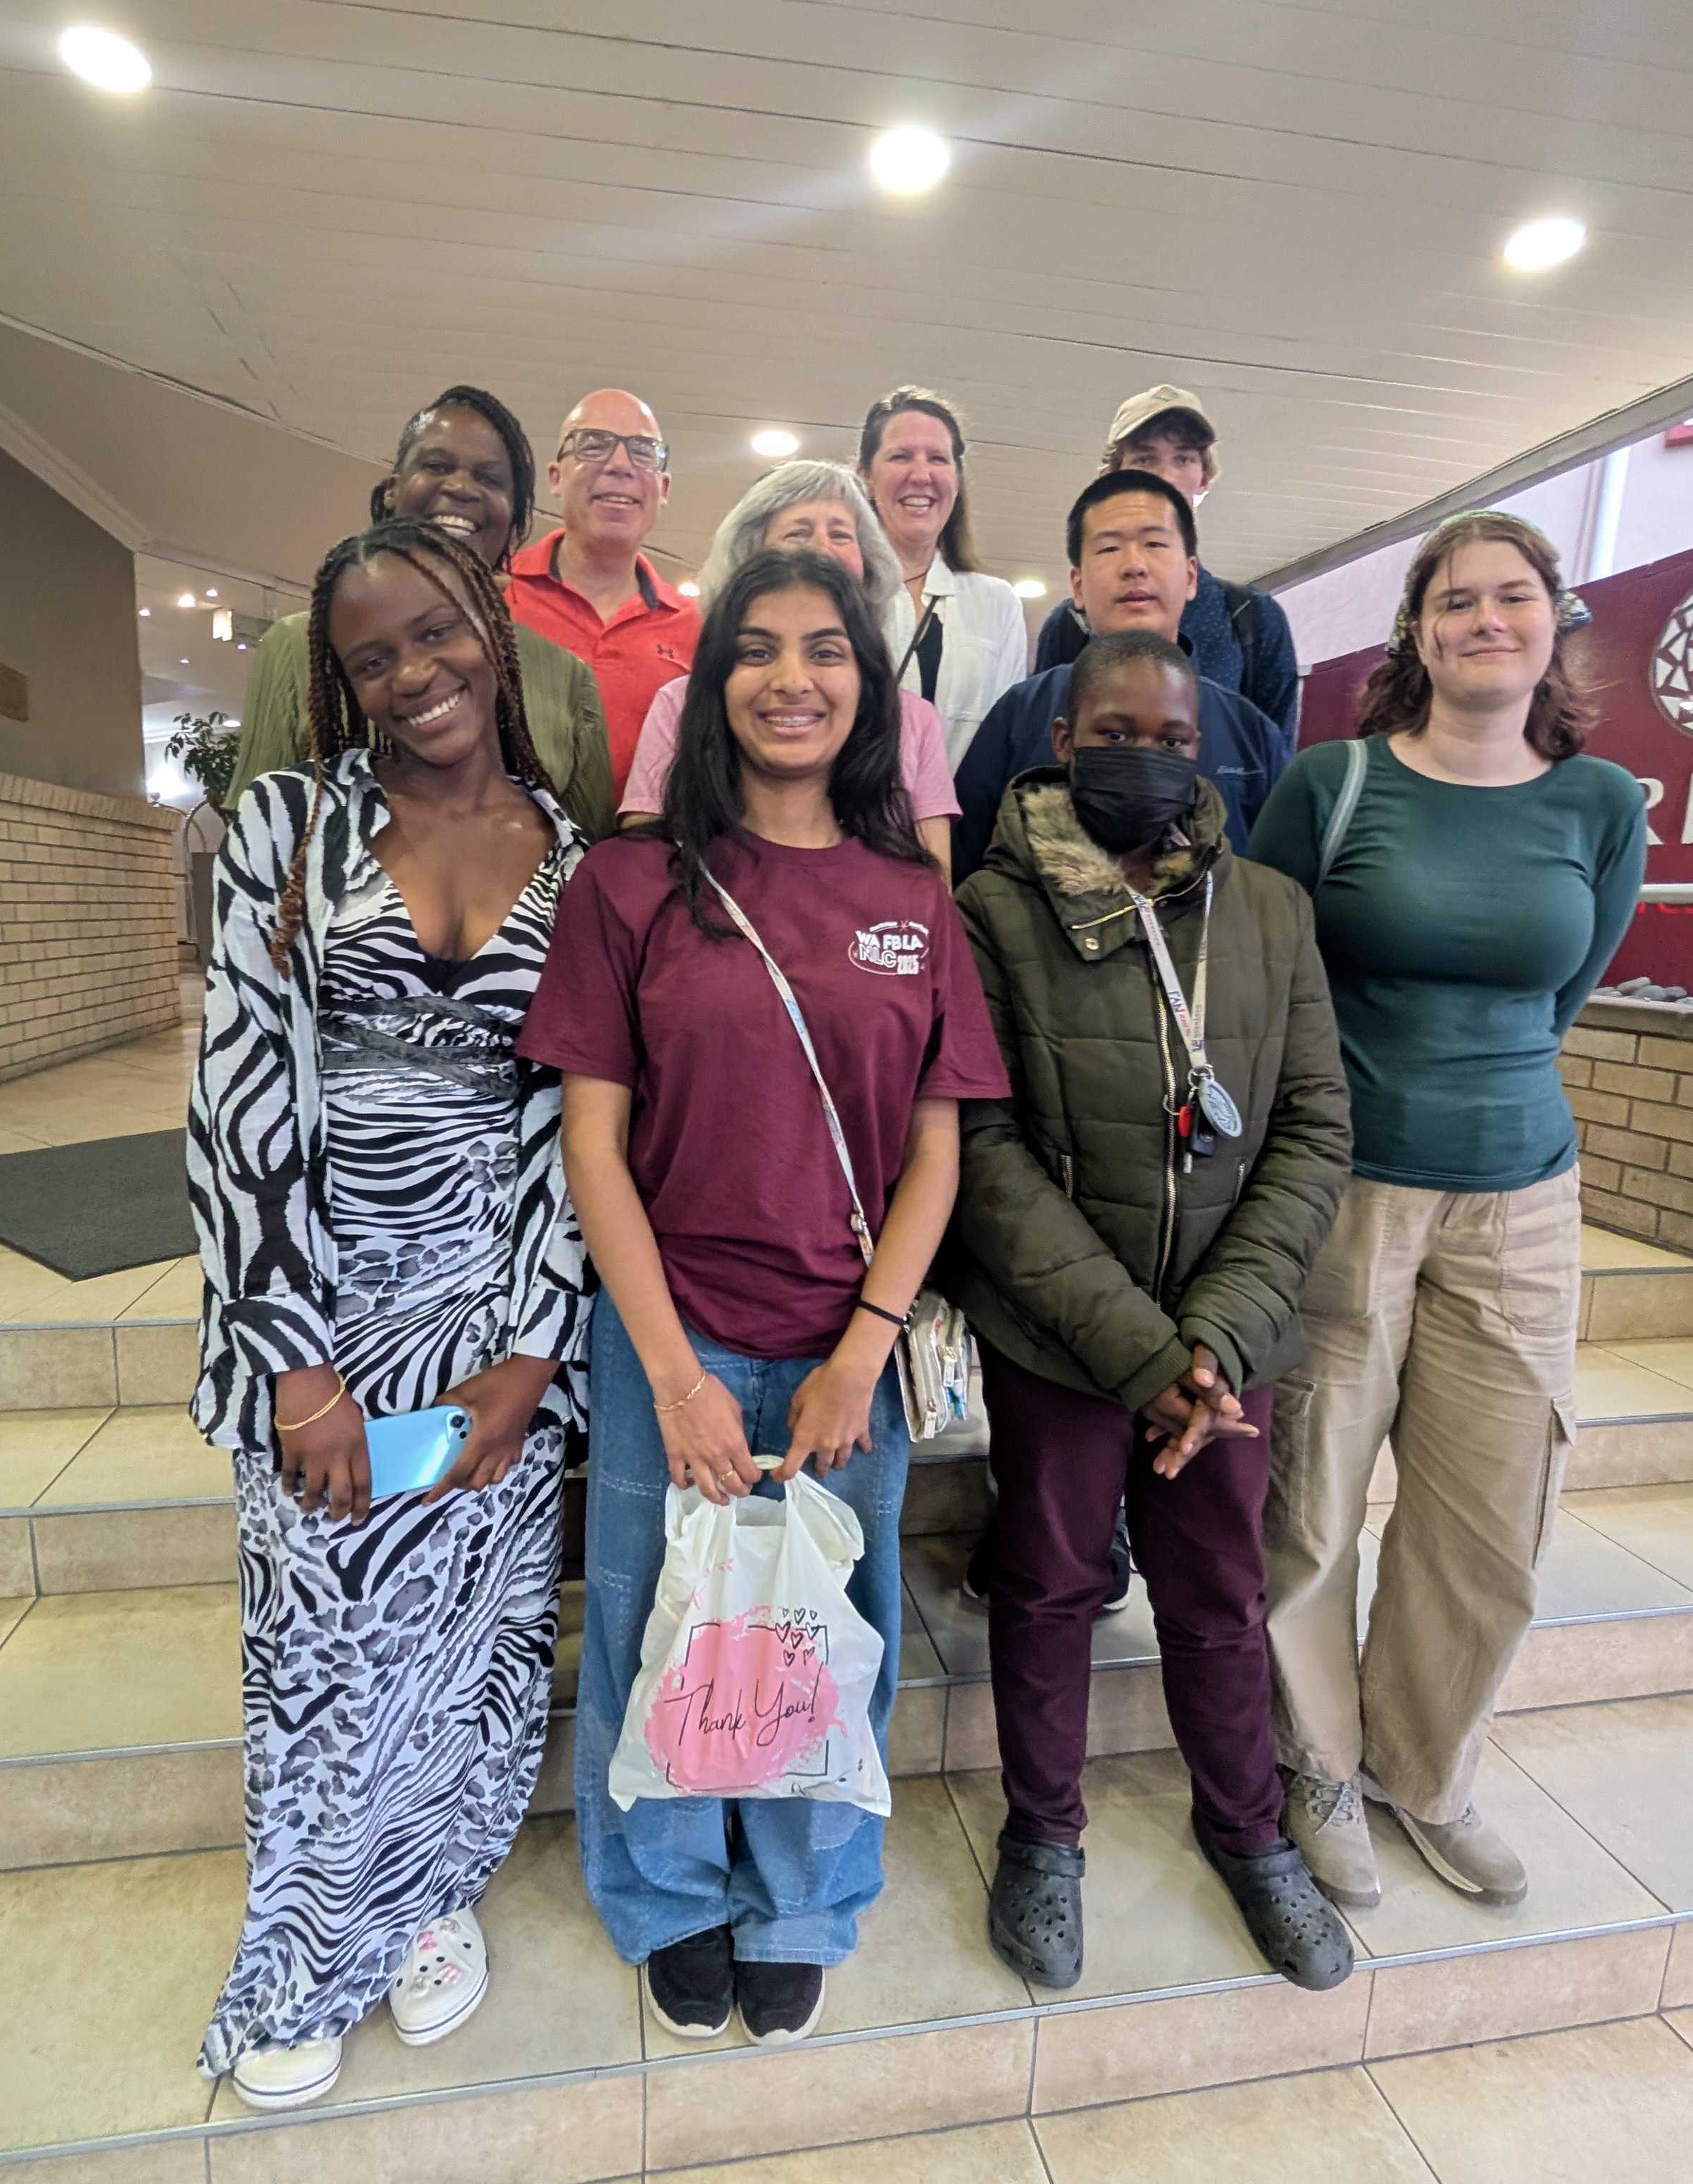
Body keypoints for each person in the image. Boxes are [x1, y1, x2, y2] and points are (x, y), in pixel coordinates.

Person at [519, 548, 1009, 2047]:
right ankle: (670, 1891)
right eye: (758, 649)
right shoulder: (628, 886)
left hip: (841, 1349)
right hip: (666, 1334)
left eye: (827, 650)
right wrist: (672, 1377)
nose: (792, 679)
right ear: (712, 680)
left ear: (870, 689)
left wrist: (862, 1352)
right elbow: (591, 1145)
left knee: (827, 1631)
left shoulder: (913, 902)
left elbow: (938, 1151)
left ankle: (800, 1897)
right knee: (651, 1627)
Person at [188, 518, 592, 2111]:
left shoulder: (575, 854)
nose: (414, 673)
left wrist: (535, 1350)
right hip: (322, 1302)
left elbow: (573, 1121)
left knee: (469, 1637)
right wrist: (297, 1368)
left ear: (491, 622)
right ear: (340, 684)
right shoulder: (288, 828)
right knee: (323, 1643)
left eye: (434, 632)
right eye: (372, 659)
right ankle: (304, 1947)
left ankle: (428, 1901)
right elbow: (239, 1098)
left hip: (494, 1312)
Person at [940, 628, 1356, 1992]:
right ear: (1064, 741)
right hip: (1062, 1338)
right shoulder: (990, 911)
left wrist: (1215, 1340)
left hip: (1230, 1345)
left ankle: (1248, 1831)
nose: (1148, 759)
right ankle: (1042, 1835)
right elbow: (982, 1151)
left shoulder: (1272, 910)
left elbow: (1314, 1127)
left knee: (1220, 1593)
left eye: (1174, 740)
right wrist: (1138, 1350)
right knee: (1050, 1585)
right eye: (1118, 734)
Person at [1247, 510, 1646, 1915]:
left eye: (1513, 597)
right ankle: (1316, 1764)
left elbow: (1568, 990)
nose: (1488, 620)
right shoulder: (1334, 782)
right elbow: (1267, 978)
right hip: (1347, 1191)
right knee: (1312, 1497)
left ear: (1554, 619)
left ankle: (1427, 1770)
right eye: (1458, 600)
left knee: (1490, 1514)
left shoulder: (1602, 804)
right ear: (1418, 630)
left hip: (1523, 1194)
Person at [230, 384, 617, 836]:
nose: (461, 487)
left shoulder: (567, 679)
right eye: (436, 466)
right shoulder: (297, 647)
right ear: (393, 490)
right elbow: (258, 839)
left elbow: (590, 855)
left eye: (490, 478)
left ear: (515, 518)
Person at [619, 459, 961, 872]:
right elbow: (638, 870)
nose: (822, 549)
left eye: (840, 534)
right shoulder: (680, 703)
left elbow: (934, 881)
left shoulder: (915, 719)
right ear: (751, 559)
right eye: (799, 532)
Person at [949, 472, 1294, 879]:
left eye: (1154, 544)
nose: (1134, 566)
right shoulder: (1022, 713)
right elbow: (965, 868)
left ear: (1190, 577)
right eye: (1109, 548)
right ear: (1078, 586)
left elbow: (1279, 886)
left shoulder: (1250, 732)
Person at [1031, 387, 1301, 739]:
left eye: (1183, 459)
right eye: (1145, 460)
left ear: (1204, 476)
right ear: (1114, 476)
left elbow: (1276, 755)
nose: (1165, 476)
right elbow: (1039, 744)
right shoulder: (1070, 624)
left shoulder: (1252, 619)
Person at [507, 388, 702, 791]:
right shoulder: (495, 595)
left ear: (664, 489)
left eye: (643, 451)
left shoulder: (697, 628)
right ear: (555, 478)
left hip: (649, 834)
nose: (620, 465)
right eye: (593, 445)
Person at [856, 387, 1031, 770]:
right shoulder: (841, 593)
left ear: (956, 478)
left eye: (938, 458)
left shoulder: (996, 602)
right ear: (866, 476)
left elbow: (1005, 738)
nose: (921, 475)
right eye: (901, 456)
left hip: (965, 808)